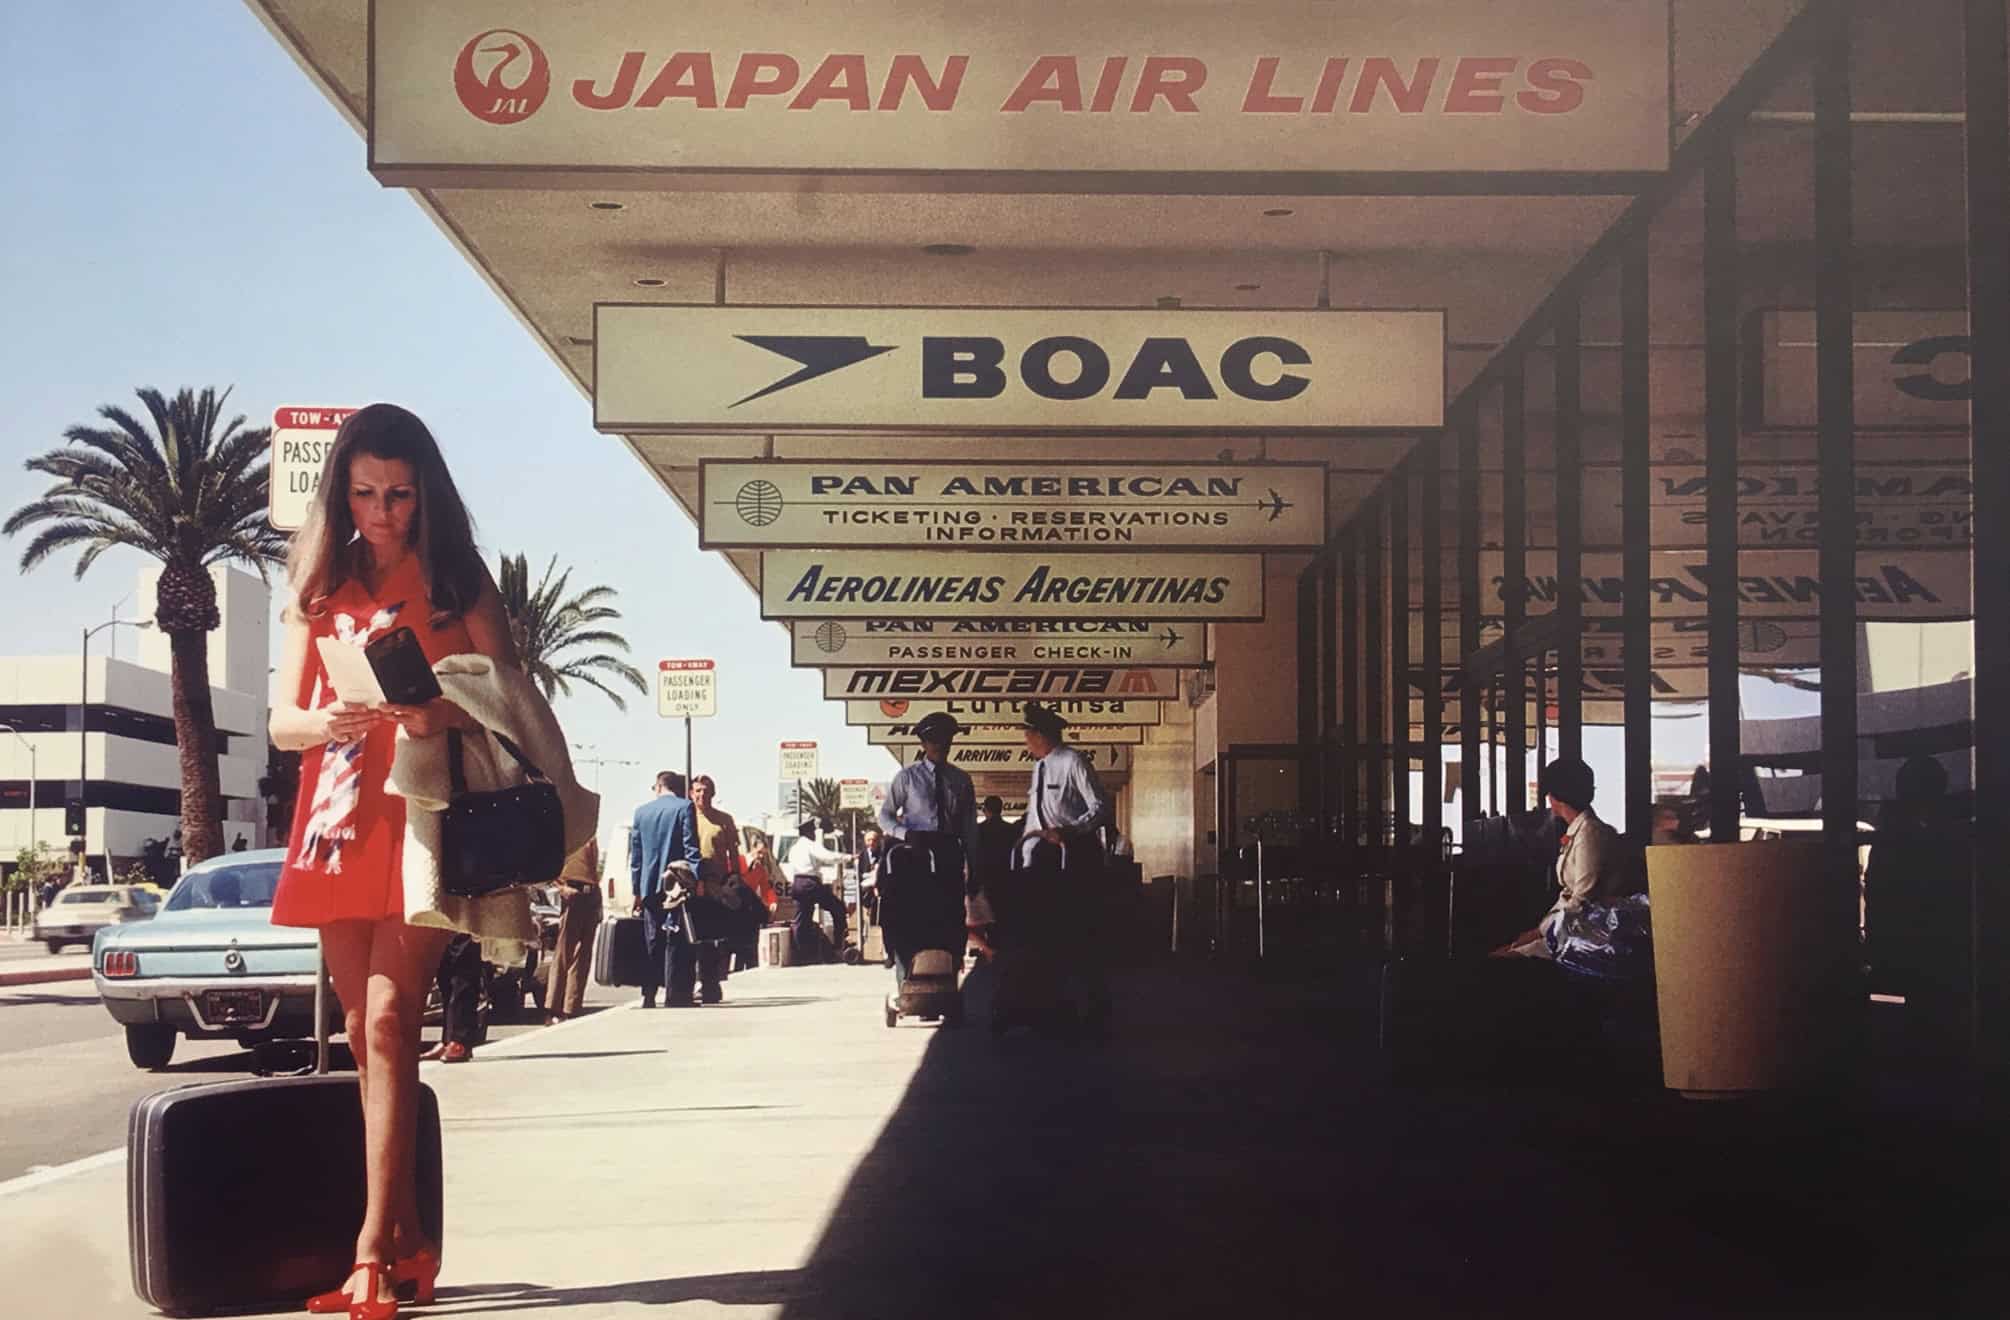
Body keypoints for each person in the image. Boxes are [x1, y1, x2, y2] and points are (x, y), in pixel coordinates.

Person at [269, 403, 519, 1318]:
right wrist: (327, 720)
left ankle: (371, 1249)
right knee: (366, 1043)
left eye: (401, 494)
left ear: (427, 495)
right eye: (367, 493)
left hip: (423, 816)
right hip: (335, 816)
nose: (383, 512)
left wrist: (431, 712)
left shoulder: (458, 581)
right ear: (342, 491)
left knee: (387, 1019)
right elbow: (280, 722)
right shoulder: (318, 583)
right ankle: (408, 1241)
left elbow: (511, 707)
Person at [1011, 703, 1115, 1037]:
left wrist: (1070, 830)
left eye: (1028, 733)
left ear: (1041, 734)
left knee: (1077, 936)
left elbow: (1100, 807)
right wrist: (1024, 855)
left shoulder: (1073, 761)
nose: (1026, 740)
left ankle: (1093, 1009)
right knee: (1042, 939)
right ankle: (1050, 1007)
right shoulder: (1039, 768)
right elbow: (1035, 816)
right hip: (1040, 862)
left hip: (1072, 859)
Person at [877, 713, 980, 1014]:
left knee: (949, 919)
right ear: (923, 743)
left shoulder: (961, 780)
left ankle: (945, 983)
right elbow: (884, 816)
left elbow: (970, 829)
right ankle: (906, 984)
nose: (941, 745)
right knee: (908, 920)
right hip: (914, 855)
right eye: (934, 739)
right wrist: (904, 833)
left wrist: (975, 870)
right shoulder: (907, 778)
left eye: (946, 739)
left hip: (948, 853)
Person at [1494, 757, 1622, 959]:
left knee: (1501, 961)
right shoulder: (1578, 830)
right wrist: (1540, 930)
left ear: (1556, 797)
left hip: (1582, 936)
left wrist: (1539, 933)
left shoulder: (1590, 833)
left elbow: (1582, 899)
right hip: (1565, 929)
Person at [629, 771, 703, 1008]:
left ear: (659, 786)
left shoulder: (641, 813)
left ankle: (648, 995)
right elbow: (691, 849)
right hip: (676, 885)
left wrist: (636, 891)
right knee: (675, 939)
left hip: (649, 887)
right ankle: (675, 994)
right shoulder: (684, 808)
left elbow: (636, 857)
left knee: (652, 939)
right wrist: (696, 880)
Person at [688, 774, 740, 1003]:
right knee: (693, 940)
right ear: (691, 793)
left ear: (713, 793)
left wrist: (735, 883)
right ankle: (693, 983)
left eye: (706, 790)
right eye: (698, 791)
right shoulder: (686, 817)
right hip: (691, 887)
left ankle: (712, 985)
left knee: (716, 940)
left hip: (717, 889)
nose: (702, 795)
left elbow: (734, 856)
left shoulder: (724, 820)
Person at [544, 837, 602, 1024]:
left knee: (584, 953)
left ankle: (573, 1006)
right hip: (572, 890)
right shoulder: (563, 835)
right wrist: (561, 887)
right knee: (564, 951)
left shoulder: (589, 836)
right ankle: (553, 1008)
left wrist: (598, 897)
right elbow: (544, 865)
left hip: (591, 892)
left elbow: (593, 867)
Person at [787, 820, 850, 963]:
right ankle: (838, 946)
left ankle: (802, 955)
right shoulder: (810, 845)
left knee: (802, 920)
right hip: (810, 883)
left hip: (797, 883)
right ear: (809, 832)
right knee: (838, 908)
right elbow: (827, 856)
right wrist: (847, 857)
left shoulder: (794, 848)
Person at [421, 934, 482, 1065]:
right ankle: (447, 1040)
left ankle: (461, 1041)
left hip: (469, 919)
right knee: (445, 974)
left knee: (464, 974)